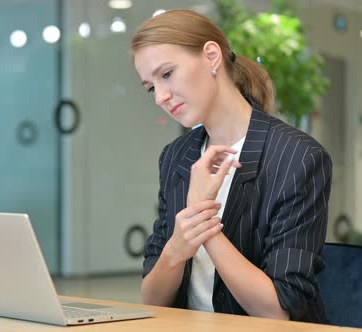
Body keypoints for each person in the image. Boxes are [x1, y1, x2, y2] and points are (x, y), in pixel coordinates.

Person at [130, 9, 332, 323]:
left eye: (167, 74)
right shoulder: (176, 156)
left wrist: (204, 223)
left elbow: (279, 311)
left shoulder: (298, 157)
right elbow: (152, 299)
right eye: (151, 87)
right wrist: (176, 247)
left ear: (211, 56)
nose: (161, 97)